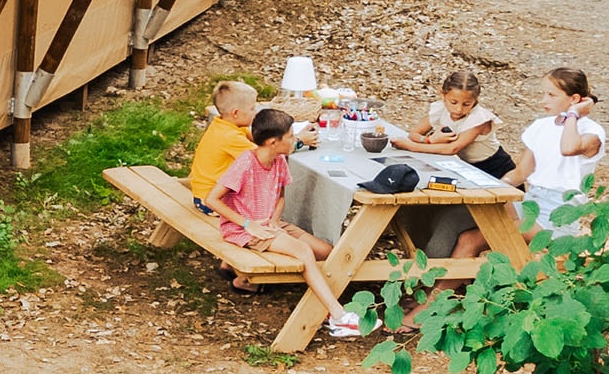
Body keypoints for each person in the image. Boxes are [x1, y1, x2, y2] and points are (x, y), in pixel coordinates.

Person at [207, 106, 369, 341]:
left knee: (327, 252)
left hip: (271, 224)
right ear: (273, 142)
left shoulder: (280, 160)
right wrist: (247, 224)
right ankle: (338, 316)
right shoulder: (246, 163)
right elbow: (212, 199)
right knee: (303, 252)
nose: (295, 139)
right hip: (245, 230)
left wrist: (273, 220)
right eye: (291, 136)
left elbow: (280, 196)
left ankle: (322, 305)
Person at [456, 67, 603, 253]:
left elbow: (568, 148)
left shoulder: (592, 132)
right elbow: (521, 173)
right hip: (531, 202)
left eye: (551, 95)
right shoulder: (541, 126)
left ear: (574, 99)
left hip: (559, 213)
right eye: (544, 93)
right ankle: (435, 283)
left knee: (503, 229)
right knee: (468, 239)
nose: (544, 100)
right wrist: (491, 190)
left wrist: (573, 113)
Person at [402, 67, 501, 167]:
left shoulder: (479, 119)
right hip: (466, 164)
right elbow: (414, 133)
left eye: (466, 104)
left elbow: (452, 149)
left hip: (494, 165)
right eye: (453, 102)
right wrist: (428, 140)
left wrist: (412, 146)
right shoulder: (441, 109)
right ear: (443, 95)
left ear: (475, 100)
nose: (459, 109)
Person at [187, 80, 259, 207]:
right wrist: (297, 141)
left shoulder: (223, 124)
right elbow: (264, 157)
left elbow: (256, 137)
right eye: (252, 108)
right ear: (235, 113)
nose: (256, 112)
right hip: (211, 201)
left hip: (203, 192)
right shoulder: (231, 137)